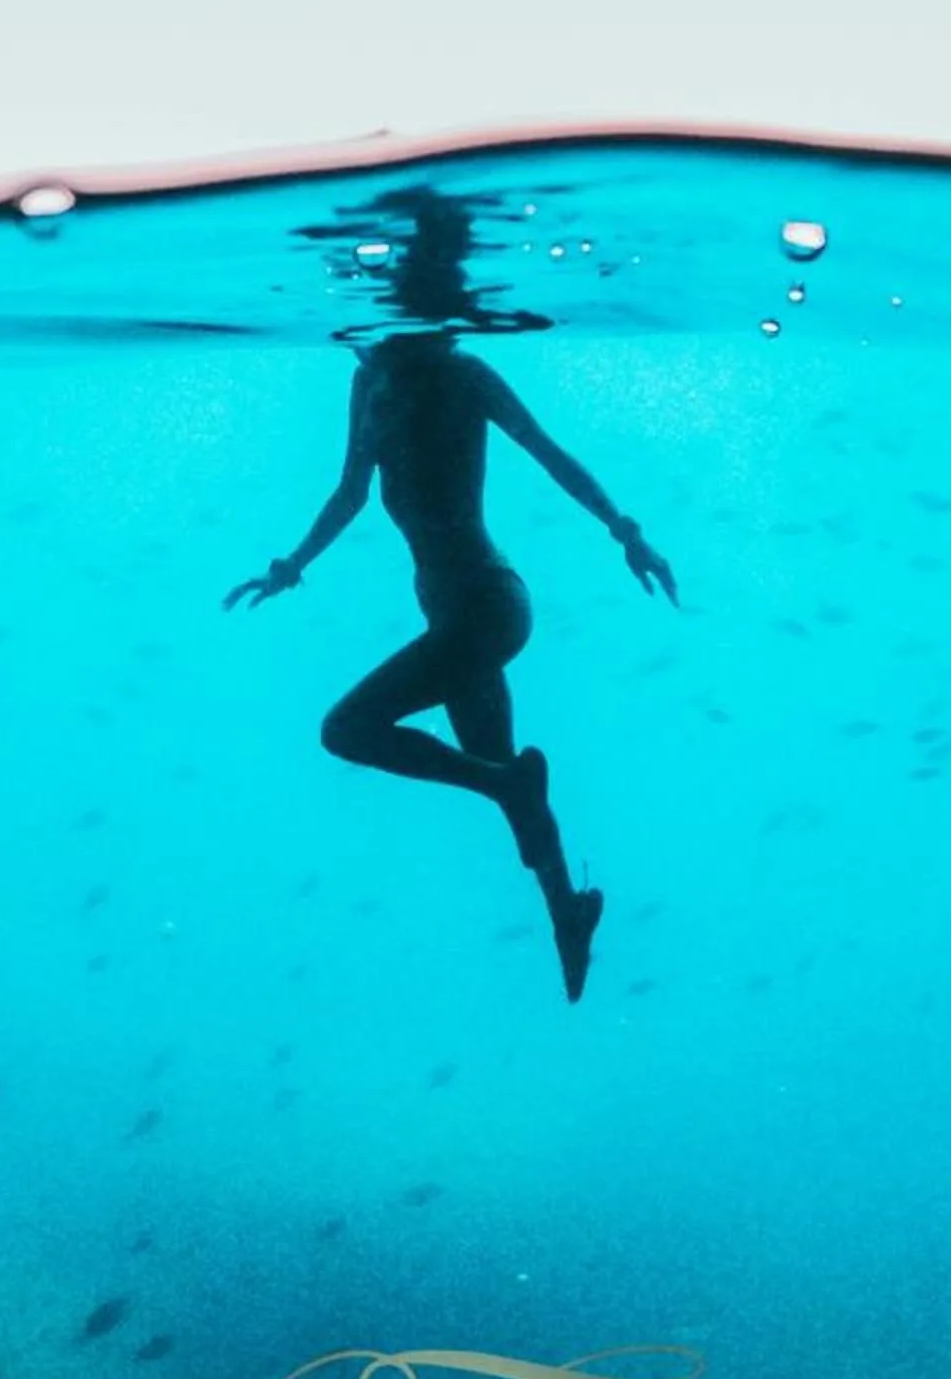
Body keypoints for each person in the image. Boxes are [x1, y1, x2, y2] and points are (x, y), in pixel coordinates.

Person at [225, 328, 677, 1002]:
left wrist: (627, 532)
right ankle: (567, 915)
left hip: (489, 610)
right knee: (513, 790)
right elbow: (350, 492)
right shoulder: (368, 383)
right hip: (452, 620)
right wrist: (290, 566)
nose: (352, 345)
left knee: (347, 730)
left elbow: (548, 453)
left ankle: (505, 786)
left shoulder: (464, 375)